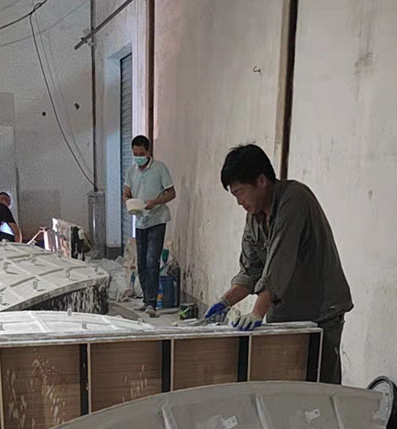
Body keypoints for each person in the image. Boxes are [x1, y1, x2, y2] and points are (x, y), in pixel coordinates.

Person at [205, 144, 353, 384]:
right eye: (234, 195)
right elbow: (250, 271)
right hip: (286, 312)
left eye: (240, 192)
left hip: (321, 313)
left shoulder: (294, 199)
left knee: (320, 387)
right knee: (285, 385)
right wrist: (224, 302)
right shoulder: (254, 218)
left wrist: (257, 312)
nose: (239, 201)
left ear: (261, 181)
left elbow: (279, 261)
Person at [123, 135, 176, 317]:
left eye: (141, 154)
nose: (138, 157)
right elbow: (127, 192)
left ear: (148, 152)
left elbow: (171, 193)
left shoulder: (159, 168)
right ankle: (146, 300)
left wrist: (155, 202)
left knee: (152, 260)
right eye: (135, 154)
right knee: (141, 263)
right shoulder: (131, 172)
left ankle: (152, 302)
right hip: (140, 221)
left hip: (157, 219)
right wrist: (127, 200)